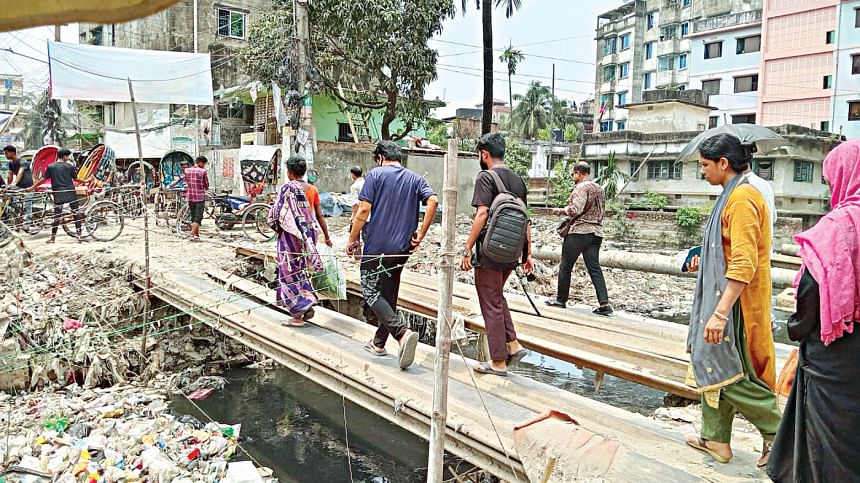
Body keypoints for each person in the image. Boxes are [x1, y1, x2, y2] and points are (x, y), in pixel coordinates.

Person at [684, 133, 781, 468]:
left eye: (704, 165)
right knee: (710, 365)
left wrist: (720, 313)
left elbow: (744, 262)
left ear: (723, 163)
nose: (702, 171)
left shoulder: (742, 200)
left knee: (729, 372)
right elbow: (727, 250)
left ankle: (779, 434)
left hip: (737, 305)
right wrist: (706, 260)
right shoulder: (731, 194)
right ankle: (715, 438)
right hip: (727, 298)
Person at [767, 140, 860, 482]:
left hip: (835, 353)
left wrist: (796, 327)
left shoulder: (838, 227)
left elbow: (812, 290)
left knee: (829, 439)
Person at [347, 140, 438, 370]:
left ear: (380, 157)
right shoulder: (415, 178)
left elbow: (364, 209)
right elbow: (433, 201)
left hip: (377, 246)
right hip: (402, 248)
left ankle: (401, 333)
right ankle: (378, 343)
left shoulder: (375, 175)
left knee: (370, 289)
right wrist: (421, 233)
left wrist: (353, 238)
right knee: (388, 292)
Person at [460, 133, 532, 377]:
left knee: (489, 302)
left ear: (484, 154)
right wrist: (528, 254)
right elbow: (526, 220)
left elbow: (482, 214)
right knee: (496, 297)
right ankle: (513, 344)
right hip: (512, 251)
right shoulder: (518, 181)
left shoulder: (486, 177)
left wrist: (467, 248)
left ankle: (499, 361)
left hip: (490, 251)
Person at [546, 162, 612, 315]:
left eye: (572, 174)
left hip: (579, 232)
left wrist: (560, 210)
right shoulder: (600, 189)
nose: (572, 177)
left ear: (578, 173)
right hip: (596, 233)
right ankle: (604, 303)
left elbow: (576, 209)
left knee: (566, 266)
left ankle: (561, 300)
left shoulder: (581, 187)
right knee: (594, 268)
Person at [268, 156, 323, 327]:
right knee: (300, 271)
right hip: (306, 236)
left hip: (290, 237)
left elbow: (276, 214)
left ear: (290, 173)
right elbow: (315, 215)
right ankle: (307, 303)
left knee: (288, 273)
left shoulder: (287, 188)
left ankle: (297, 314)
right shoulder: (310, 189)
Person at [27, 149, 85, 243]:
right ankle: (79, 236)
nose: (68, 158)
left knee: (57, 215)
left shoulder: (51, 166)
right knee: (76, 213)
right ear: (65, 156)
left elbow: (43, 179)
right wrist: (85, 181)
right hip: (70, 192)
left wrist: (32, 187)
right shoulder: (70, 166)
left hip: (58, 193)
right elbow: (76, 179)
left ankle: (53, 238)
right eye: (68, 156)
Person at [290, 159, 332, 247]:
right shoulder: (313, 189)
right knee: (309, 254)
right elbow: (319, 216)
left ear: (289, 173)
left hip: (292, 231)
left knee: (292, 255)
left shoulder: (286, 189)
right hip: (309, 231)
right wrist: (327, 237)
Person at [4, 145, 33, 227]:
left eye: (6, 153)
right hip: (19, 186)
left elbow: (20, 173)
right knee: (9, 197)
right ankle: (16, 217)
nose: (5, 155)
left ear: (13, 153)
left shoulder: (23, 162)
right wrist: (8, 186)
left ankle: (28, 223)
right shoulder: (10, 163)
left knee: (28, 204)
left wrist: (14, 183)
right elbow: (10, 175)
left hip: (28, 187)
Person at [183, 156, 209, 241]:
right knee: (198, 217)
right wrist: (205, 187)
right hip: (199, 197)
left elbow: (185, 182)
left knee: (193, 216)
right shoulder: (203, 171)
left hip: (190, 196)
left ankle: (196, 235)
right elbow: (206, 185)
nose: (204, 166)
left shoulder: (187, 170)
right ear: (201, 163)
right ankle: (191, 234)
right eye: (204, 164)